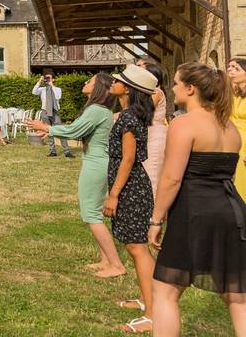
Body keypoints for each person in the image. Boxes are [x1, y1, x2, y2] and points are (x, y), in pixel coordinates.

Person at [149, 63, 246, 336]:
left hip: (195, 212)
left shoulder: (183, 124)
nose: (172, 88)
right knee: (237, 295)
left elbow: (171, 178)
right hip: (233, 211)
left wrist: (156, 219)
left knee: (165, 289)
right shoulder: (230, 128)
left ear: (190, 89)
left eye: (177, 83)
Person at [27, 73, 125, 278]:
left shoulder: (97, 110)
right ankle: (105, 260)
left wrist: (46, 127)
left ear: (99, 88)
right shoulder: (101, 110)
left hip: (95, 164)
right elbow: (77, 130)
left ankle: (116, 265)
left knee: (91, 214)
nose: (85, 82)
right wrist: (53, 131)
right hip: (97, 162)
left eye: (90, 81)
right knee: (94, 213)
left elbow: (74, 130)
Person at [105, 64, 158, 334]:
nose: (113, 82)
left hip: (131, 188)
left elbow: (128, 158)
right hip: (132, 185)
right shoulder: (131, 115)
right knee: (135, 248)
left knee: (138, 248)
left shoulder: (128, 119)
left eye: (118, 80)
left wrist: (114, 194)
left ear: (128, 88)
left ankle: (153, 313)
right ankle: (147, 301)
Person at [138, 60, 167, 200]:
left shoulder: (156, 92)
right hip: (147, 136)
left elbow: (142, 111)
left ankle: (154, 216)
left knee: (153, 174)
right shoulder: (145, 93)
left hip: (155, 137)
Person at [34, 74, 72, 158]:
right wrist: (39, 81)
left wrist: (52, 86)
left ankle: (67, 151)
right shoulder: (42, 89)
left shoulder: (58, 89)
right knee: (48, 131)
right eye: (46, 78)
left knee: (61, 131)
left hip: (55, 112)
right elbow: (34, 92)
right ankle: (52, 151)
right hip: (45, 111)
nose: (47, 79)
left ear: (53, 79)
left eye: (49, 78)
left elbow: (58, 97)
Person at [226, 58, 246, 200]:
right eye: (229, 66)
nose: (230, 69)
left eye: (236, 68)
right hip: (233, 144)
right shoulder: (234, 95)